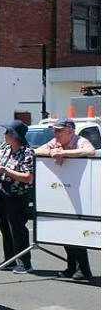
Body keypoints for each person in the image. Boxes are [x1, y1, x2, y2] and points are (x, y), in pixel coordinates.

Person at [34, 119, 96, 280]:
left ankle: (84, 269)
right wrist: (53, 152)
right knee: (66, 232)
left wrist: (64, 153)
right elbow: (37, 151)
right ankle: (71, 267)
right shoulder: (56, 141)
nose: (55, 134)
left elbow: (90, 151)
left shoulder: (81, 140)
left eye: (59, 131)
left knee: (77, 232)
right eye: (55, 131)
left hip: (82, 193)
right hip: (64, 193)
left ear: (70, 131)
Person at [0, 120, 35, 275]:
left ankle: (25, 262)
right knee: (4, 226)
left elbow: (28, 177)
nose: (5, 135)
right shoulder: (6, 149)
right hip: (2, 192)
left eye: (8, 132)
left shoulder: (27, 152)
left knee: (17, 228)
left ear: (16, 136)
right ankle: (9, 259)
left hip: (17, 195)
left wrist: (6, 171)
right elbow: (0, 164)